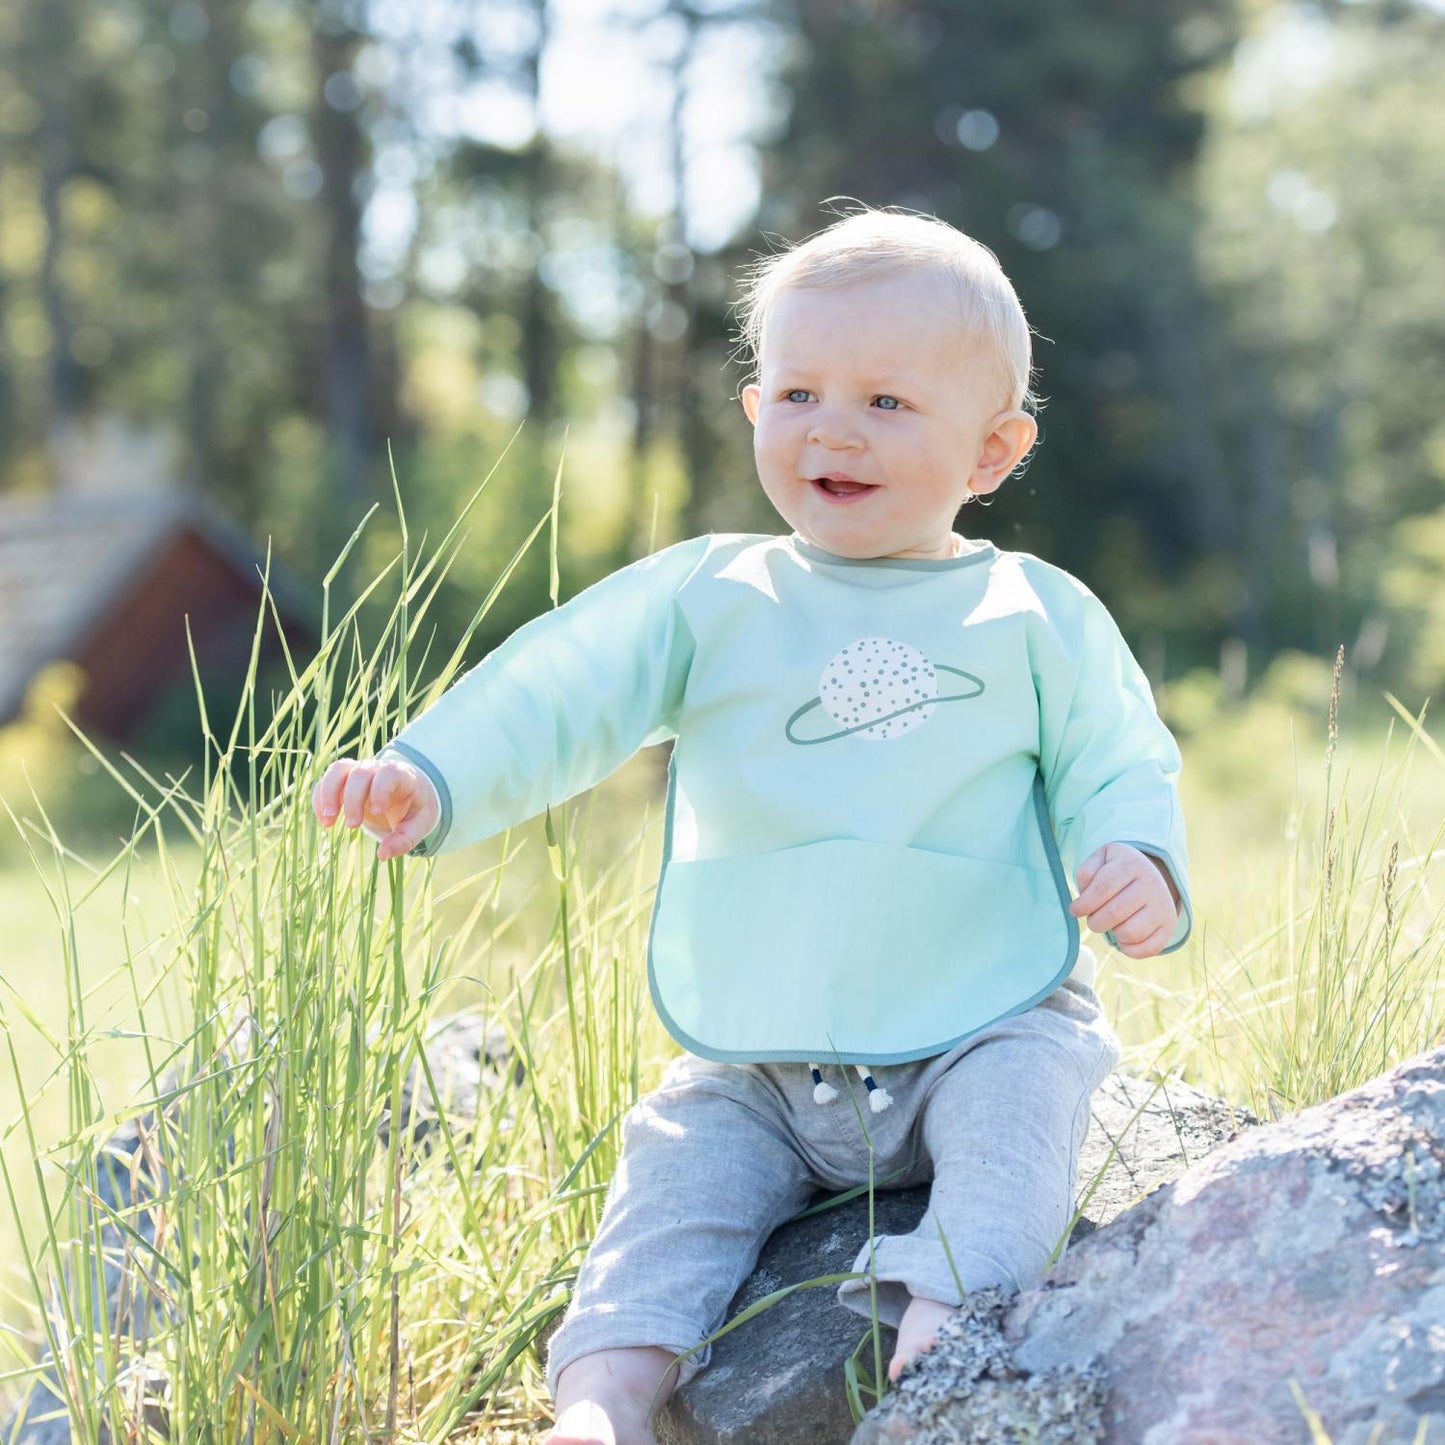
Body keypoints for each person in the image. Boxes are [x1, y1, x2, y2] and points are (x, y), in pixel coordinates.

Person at [312, 207, 1191, 1445]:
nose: (831, 426)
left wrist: (1137, 855)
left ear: (992, 451)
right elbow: (562, 685)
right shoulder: (710, 593)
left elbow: (1116, 750)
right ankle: (602, 1398)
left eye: (887, 402)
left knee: (1023, 1113)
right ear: (751, 411)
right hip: (759, 1057)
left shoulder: (1029, 609)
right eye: (797, 391)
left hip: (980, 1019)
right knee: (670, 1171)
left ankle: (945, 1331)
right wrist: (434, 772)